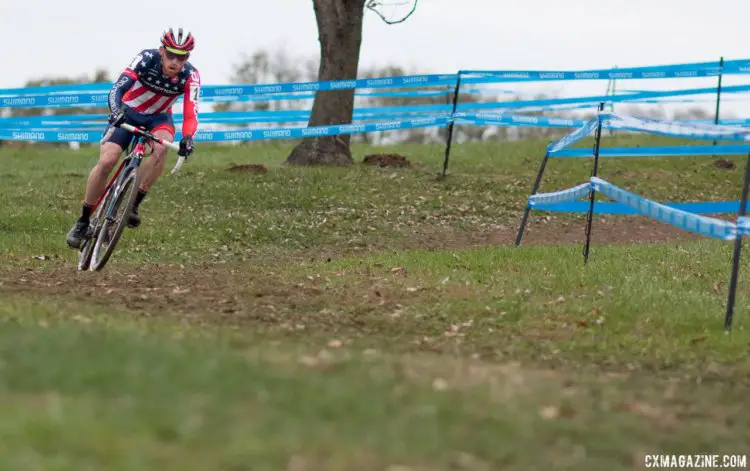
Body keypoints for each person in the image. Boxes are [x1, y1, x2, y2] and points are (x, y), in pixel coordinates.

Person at [66, 27, 200, 249]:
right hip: (128, 112)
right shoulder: (146, 58)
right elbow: (117, 88)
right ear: (161, 51)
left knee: (160, 149)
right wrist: (116, 110)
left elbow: (191, 112)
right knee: (108, 160)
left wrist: (188, 137)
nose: (175, 62)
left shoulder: (191, 76)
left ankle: (133, 204)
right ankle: (82, 221)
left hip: (159, 118)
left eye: (182, 57)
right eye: (170, 55)